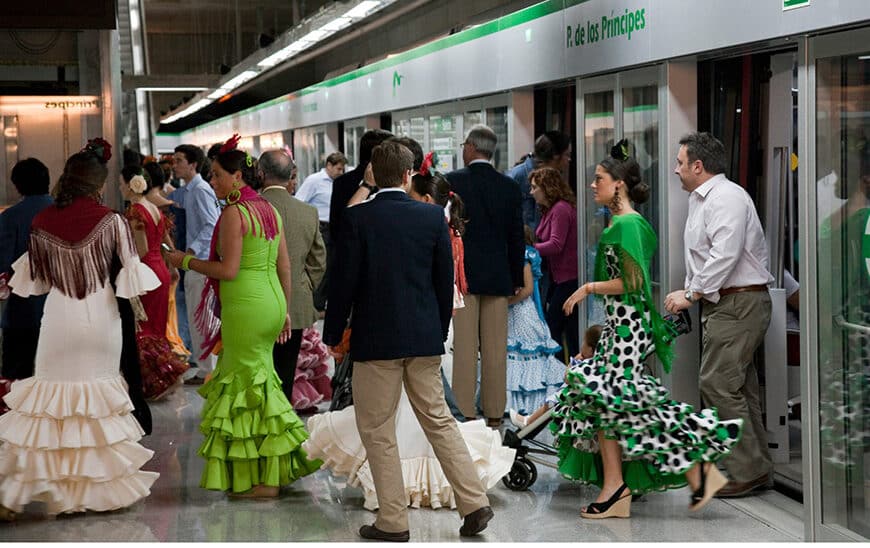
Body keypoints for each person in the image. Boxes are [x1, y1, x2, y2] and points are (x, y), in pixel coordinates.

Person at [552, 139, 742, 519]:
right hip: (621, 327)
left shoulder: (627, 225)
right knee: (611, 402)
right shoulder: (623, 223)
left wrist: (587, 288)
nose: (593, 185)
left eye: (599, 178)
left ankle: (676, 472)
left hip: (627, 329)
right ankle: (624, 485)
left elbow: (633, 281)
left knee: (626, 401)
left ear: (618, 184)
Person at [323, 141, 494, 541]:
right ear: (407, 176)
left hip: (375, 341)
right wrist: (435, 333)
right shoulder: (430, 218)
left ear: (371, 174)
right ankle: (474, 502)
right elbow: (441, 283)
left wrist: (333, 335)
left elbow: (343, 284)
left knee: (378, 430)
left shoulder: (357, 220)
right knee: (440, 421)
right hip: (422, 339)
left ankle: (393, 521)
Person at [0, 140, 160, 520]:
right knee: (95, 405)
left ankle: (17, 487)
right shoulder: (112, 221)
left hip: (57, 319)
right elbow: (130, 279)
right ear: (98, 186)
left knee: (49, 406)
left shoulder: (42, 222)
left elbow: (35, 283)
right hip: (101, 318)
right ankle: (89, 492)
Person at [166, 137, 321, 498]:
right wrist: (283, 310)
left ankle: (261, 478)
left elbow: (229, 269)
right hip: (269, 304)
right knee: (263, 384)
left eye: (218, 175)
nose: (214, 181)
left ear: (238, 177)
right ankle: (269, 471)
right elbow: (284, 265)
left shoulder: (236, 213)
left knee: (246, 389)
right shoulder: (268, 209)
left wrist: (183, 260)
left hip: (246, 308)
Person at [664, 132, 775, 498]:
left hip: (738, 303)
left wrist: (691, 294)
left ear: (698, 166)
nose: (676, 169)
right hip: (725, 304)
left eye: (680, 163)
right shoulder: (702, 200)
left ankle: (749, 469)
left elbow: (724, 255)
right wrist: (691, 291)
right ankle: (756, 465)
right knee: (738, 386)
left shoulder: (725, 197)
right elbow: (703, 255)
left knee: (716, 383)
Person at [446, 124, 524, 427]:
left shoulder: (453, 182)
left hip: (464, 277)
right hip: (499, 276)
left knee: (464, 348)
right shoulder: (508, 186)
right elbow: (516, 236)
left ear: (470, 147)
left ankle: (464, 410)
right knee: (495, 349)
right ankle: (494, 411)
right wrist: (515, 276)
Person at [258, 149, 326, 404]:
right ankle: (282, 426)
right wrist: (304, 284)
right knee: (285, 370)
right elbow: (319, 260)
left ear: (260, 173)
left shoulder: (248, 209)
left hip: (255, 301)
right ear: (290, 177)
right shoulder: (308, 212)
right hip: (295, 302)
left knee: (258, 370)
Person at [120, 166, 189, 400]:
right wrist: (173, 267)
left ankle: (153, 384)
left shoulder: (136, 211)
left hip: (145, 273)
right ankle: (164, 377)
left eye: (121, 183)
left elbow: (140, 250)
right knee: (156, 328)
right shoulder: (154, 209)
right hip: (159, 268)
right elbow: (166, 243)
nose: (119, 188)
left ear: (131, 186)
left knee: (143, 328)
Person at [503, 225, 565, 415]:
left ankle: (516, 403)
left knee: (518, 352)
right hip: (522, 311)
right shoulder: (526, 255)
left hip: (521, 312)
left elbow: (527, 289)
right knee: (524, 355)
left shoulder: (523, 256)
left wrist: (507, 302)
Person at [0, 158, 53, 380]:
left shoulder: (11, 217)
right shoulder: (63, 212)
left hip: (23, 307)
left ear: (17, 185)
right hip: (61, 306)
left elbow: (3, 263)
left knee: (17, 373)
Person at [173, 143, 220, 383]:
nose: (175, 165)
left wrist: (191, 251)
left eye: (179, 160)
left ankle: (205, 369)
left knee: (199, 314)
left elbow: (212, 223)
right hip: (195, 261)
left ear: (193, 164)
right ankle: (204, 366)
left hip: (199, 262)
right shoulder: (190, 190)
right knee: (195, 313)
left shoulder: (200, 190)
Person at [531, 166, 580, 361]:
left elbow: (556, 244)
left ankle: (561, 374)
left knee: (555, 328)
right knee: (566, 330)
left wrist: (530, 249)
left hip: (568, 279)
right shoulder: (550, 210)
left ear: (546, 188)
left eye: (535, 187)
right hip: (560, 279)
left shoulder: (560, 209)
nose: (531, 192)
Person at [510, 324, 601, 428]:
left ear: (590, 350)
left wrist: (572, 364)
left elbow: (567, 378)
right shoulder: (596, 363)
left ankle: (528, 421)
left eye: (584, 342)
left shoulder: (584, 364)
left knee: (548, 404)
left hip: (566, 397)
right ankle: (529, 420)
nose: (582, 344)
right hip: (574, 398)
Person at [295, 151, 347, 312]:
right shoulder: (314, 181)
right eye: (338, 168)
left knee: (333, 266)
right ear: (329, 166)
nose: (341, 172)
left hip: (336, 228)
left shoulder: (340, 183)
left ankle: (324, 303)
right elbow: (299, 201)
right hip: (321, 227)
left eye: (342, 169)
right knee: (321, 265)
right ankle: (316, 305)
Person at [507, 131, 572, 232]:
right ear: (555, 155)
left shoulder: (554, 178)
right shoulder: (517, 176)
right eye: (567, 155)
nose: (569, 159)